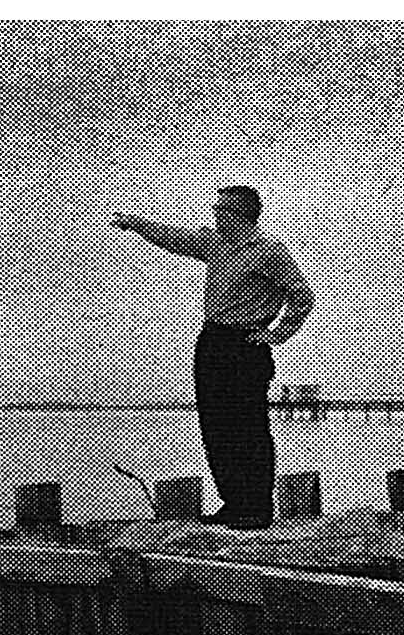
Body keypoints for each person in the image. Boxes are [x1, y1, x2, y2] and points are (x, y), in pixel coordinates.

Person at [113, 187, 314, 529]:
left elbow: (302, 295)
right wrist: (135, 223)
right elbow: (173, 237)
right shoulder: (215, 242)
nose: (215, 215)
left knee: (247, 426)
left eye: (222, 210)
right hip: (213, 342)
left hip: (246, 344)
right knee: (216, 424)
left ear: (242, 214)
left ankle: (256, 507)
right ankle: (234, 502)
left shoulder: (269, 251)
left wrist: (276, 333)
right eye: (216, 209)